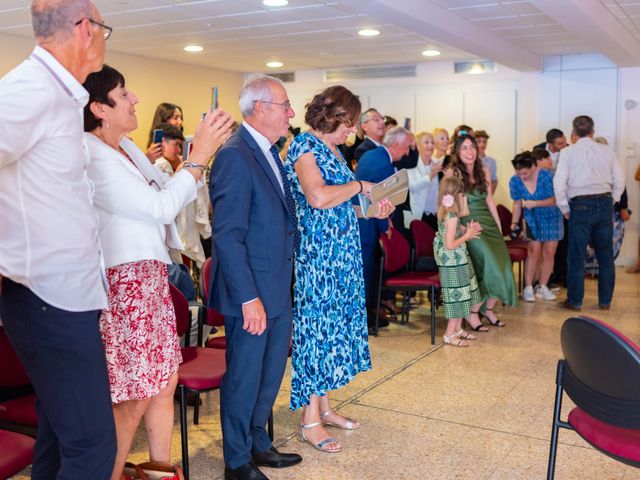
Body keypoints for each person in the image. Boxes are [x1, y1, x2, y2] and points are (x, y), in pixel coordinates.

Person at [83, 64, 233, 480]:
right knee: (133, 396)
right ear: (99, 108)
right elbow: (160, 207)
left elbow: (169, 196)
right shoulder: (91, 153)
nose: (135, 100)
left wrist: (196, 165)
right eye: (124, 93)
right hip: (124, 280)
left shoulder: (127, 148)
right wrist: (198, 157)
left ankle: (159, 469)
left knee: (164, 382)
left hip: (149, 274)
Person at [0, 1, 116, 478]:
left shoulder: (58, 92)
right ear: (85, 30)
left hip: (62, 295)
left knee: (60, 433)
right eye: (105, 28)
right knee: (91, 445)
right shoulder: (30, 89)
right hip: (47, 296)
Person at [285, 85, 393, 453]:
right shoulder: (304, 146)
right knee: (317, 335)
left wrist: (369, 207)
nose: (353, 130)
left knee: (333, 332)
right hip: (318, 259)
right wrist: (361, 185)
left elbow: (339, 202)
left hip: (340, 256)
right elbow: (317, 197)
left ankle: (324, 406)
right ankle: (308, 420)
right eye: (350, 123)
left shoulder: (333, 149)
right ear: (335, 116)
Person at [209, 75, 302, 480]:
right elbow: (227, 236)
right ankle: (236, 460)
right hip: (251, 291)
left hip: (277, 284)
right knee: (245, 377)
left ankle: (259, 443)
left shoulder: (268, 151)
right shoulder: (234, 154)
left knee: (269, 375)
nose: (291, 114)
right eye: (285, 105)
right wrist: (248, 297)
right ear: (260, 108)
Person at [554, 115, 625, 310]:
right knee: (605, 256)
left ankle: (575, 301)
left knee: (576, 256)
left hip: (580, 206)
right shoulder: (607, 150)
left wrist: (565, 208)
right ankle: (605, 301)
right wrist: (614, 200)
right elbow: (619, 179)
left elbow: (559, 183)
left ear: (573, 133)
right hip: (604, 203)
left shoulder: (568, 152)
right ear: (593, 132)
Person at [450, 134, 517, 328]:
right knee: (489, 266)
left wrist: (498, 228)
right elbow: (450, 207)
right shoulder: (454, 173)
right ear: (457, 151)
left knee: (504, 264)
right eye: (464, 148)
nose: (469, 151)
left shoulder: (484, 170)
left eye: (472, 147)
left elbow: (489, 201)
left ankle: (488, 310)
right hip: (469, 225)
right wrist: (463, 228)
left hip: (488, 223)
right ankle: (472, 313)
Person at [356, 126, 412, 324]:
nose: (407, 152)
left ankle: (369, 314)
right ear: (396, 145)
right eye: (406, 147)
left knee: (365, 273)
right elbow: (381, 200)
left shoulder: (372, 155)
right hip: (368, 225)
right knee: (367, 273)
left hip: (360, 222)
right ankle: (366, 319)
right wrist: (385, 228)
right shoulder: (384, 165)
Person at [433, 176, 484, 347]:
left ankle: (457, 329)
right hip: (452, 262)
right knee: (457, 298)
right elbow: (449, 244)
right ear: (457, 195)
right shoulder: (451, 216)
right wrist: (467, 236)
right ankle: (448, 334)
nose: (465, 198)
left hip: (457, 260)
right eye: (463, 195)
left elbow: (453, 231)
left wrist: (467, 229)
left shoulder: (449, 213)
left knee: (464, 294)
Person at [154, 122, 212, 267]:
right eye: (176, 145)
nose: (179, 150)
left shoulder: (175, 164)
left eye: (181, 146)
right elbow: (165, 199)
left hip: (185, 229)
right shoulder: (159, 166)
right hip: (170, 232)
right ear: (163, 143)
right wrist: (180, 175)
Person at [509, 151, 563, 302]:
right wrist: (514, 222)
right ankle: (528, 287)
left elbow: (554, 199)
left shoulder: (548, 176)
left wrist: (535, 203)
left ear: (533, 166)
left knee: (549, 253)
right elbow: (517, 203)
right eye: (518, 173)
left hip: (552, 216)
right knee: (533, 250)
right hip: (531, 218)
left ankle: (543, 286)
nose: (522, 177)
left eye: (525, 173)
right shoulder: (515, 181)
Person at [585, 138, 631, 277]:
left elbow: (621, 185)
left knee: (610, 242)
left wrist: (623, 207)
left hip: (612, 209)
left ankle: (603, 272)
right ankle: (589, 270)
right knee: (589, 241)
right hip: (591, 208)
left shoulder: (612, 163)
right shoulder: (587, 163)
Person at [406, 131, 442, 231]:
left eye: (432, 142)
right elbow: (412, 187)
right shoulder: (412, 163)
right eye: (426, 142)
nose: (430, 145)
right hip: (419, 212)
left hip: (436, 212)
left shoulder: (437, 162)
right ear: (418, 145)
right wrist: (430, 175)